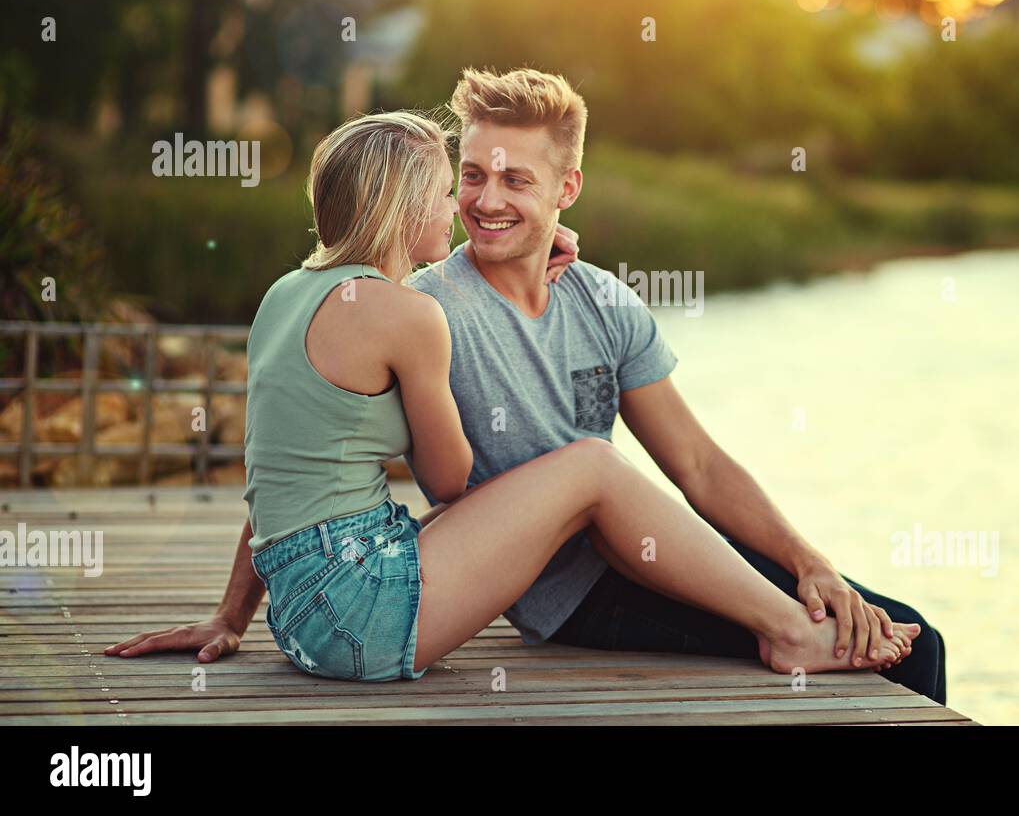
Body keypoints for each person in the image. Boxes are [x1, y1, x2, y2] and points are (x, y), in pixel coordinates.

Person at [105, 106, 918, 682]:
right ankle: (788, 632)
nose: (459, 208)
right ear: (403, 205)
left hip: (303, 617)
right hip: (366, 615)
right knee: (591, 467)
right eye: (447, 189)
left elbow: (278, 475)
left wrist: (231, 616)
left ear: (565, 186)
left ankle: (789, 620)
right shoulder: (413, 315)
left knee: (579, 474)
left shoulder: (288, 295)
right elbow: (454, 479)